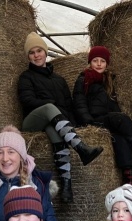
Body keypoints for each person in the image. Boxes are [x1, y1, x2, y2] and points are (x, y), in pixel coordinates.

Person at [18, 32, 104, 203]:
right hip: (33, 121)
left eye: (39, 51)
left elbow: (69, 105)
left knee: (57, 134)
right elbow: (27, 101)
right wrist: (49, 102)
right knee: (50, 108)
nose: (36, 55)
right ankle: (81, 148)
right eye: (32, 52)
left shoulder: (59, 80)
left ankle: (66, 186)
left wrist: (72, 126)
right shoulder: (26, 77)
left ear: (45, 52)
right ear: (28, 56)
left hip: (52, 123)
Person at [73, 46, 132, 185]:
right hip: (92, 121)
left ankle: (127, 179)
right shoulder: (84, 79)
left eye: (102, 61)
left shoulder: (108, 81)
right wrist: (88, 122)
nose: (99, 64)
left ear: (107, 64)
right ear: (90, 63)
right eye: (95, 61)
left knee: (122, 138)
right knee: (122, 119)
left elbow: (113, 106)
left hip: (106, 120)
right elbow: (79, 102)